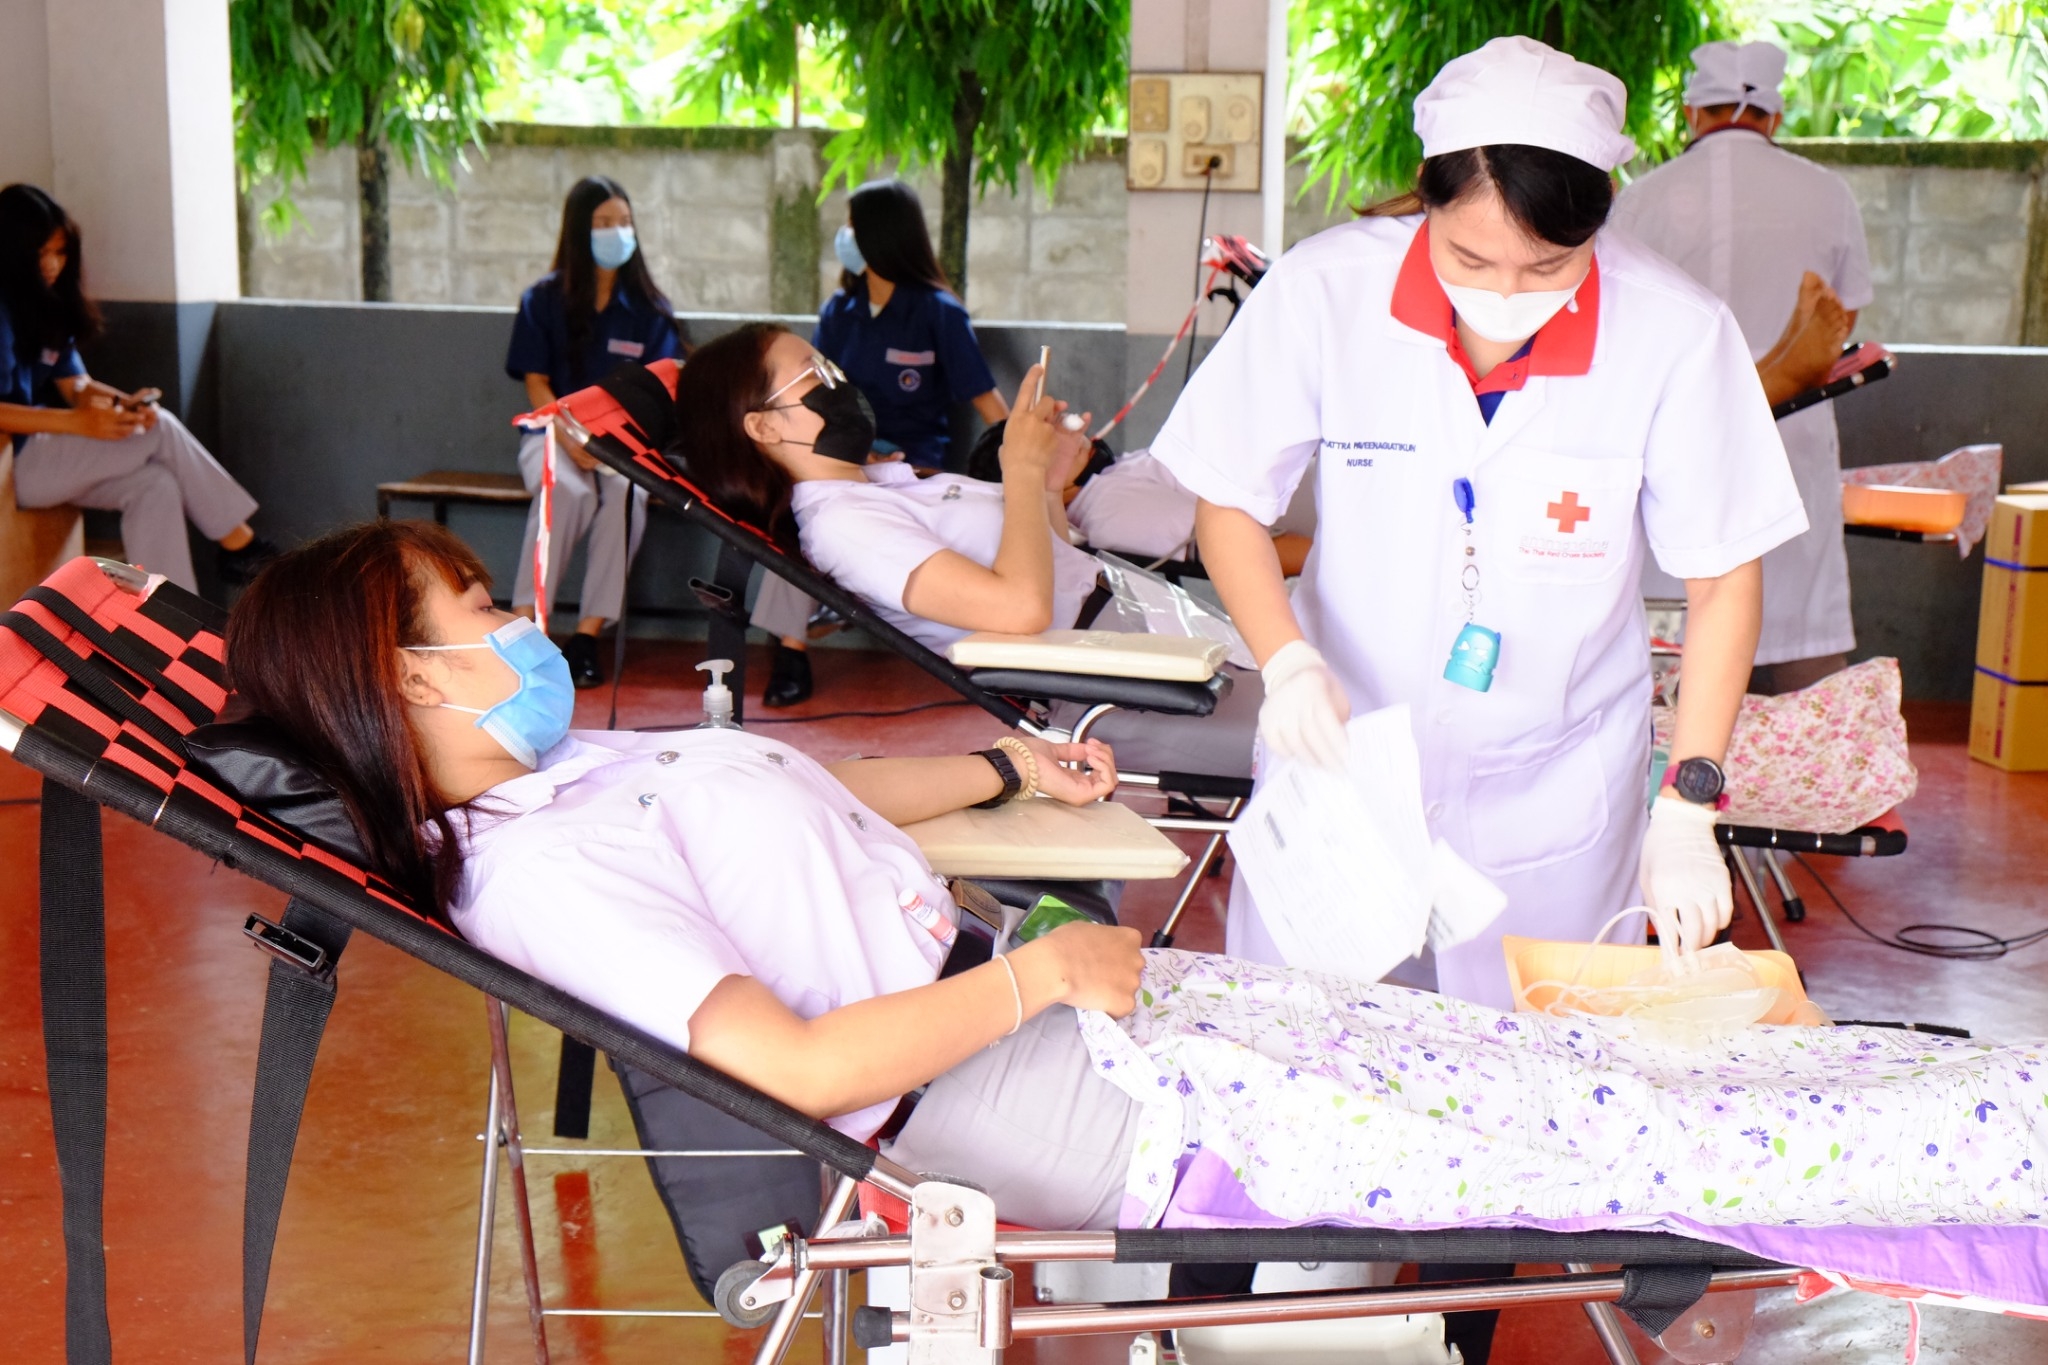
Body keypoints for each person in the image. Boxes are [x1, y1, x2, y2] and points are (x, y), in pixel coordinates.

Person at [218, 520, 2048, 1315]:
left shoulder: (574, 783)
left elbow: (820, 800)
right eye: (477, 606)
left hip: (1051, 1017)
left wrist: (1021, 782)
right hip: (998, 1083)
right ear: (403, 676)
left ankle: (1930, 1102)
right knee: (1552, 1113)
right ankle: (1980, 1152)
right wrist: (1039, 974)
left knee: (1491, 1046)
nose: (518, 625)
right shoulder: (537, 873)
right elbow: (791, 1061)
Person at [1152, 37, 1809, 1010]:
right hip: (1344, 765)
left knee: (1535, 1083)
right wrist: (1283, 658)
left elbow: (1721, 580)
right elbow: (1228, 502)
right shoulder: (1325, 293)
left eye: (1547, 265)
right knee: (1301, 1053)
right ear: (1424, 198)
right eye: (1468, 256)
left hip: (1550, 792)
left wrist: (1686, 805)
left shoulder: (1672, 330)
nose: (1503, 291)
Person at [675, 323, 1262, 780]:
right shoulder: (843, 526)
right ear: (763, 427)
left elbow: (1049, 561)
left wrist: (1048, 484)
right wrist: (1023, 471)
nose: (837, 379)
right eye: (812, 374)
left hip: (1141, 634)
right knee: (1335, 739)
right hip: (1131, 690)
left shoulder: (878, 485)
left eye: (828, 363)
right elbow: (1020, 611)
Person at [1612, 40, 1873, 696]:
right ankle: (1806, 787)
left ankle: (1675, 784)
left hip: (1674, 435)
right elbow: (1841, 322)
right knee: (1798, 648)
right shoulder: (1828, 194)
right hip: (1791, 437)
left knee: (1672, 638)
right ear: (1775, 117)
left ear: (1691, 113)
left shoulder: (1642, 198)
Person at [752, 179, 1010, 708]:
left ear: (879, 234)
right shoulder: (839, 311)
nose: (845, 236)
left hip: (908, 462)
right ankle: (791, 649)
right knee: (791, 513)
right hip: (838, 457)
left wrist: (1026, 464)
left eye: (852, 225)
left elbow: (988, 402)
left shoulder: (939, 312)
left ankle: (806, 623)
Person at [0, 184, 274, 593]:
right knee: (159, 427)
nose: (54, 264)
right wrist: (78, 423)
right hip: (15, 466)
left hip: (51, 453)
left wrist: (118, 406)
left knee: (155, 485)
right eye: (42, 253)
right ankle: (240, 545)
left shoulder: (46, 306)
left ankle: (171, 619)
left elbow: (77, 384)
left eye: (60, 252)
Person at [506, 175, 682, 689]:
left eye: (624, 223)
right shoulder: (542, 300)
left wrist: (607, 443)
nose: (616, 233)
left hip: (623, 441)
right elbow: (536, 380)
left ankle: (586, 636)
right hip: (553, 436)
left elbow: (657, 389)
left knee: (629, 494)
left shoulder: (651, 310)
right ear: (578, 230)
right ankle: (527, 628)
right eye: (604, 223)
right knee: (567, 492)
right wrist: (567, 435)